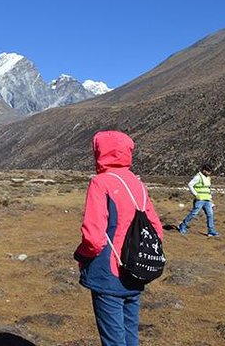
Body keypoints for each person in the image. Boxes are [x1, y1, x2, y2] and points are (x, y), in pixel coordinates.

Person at [74, 130, 164, 346]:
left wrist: (81, 256)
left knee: (113, 340)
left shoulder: (100, 183)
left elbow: (94, 238)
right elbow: (156, 231)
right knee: (129, 334)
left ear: (99, 151)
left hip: (109, 274)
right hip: (136, 270)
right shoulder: (138, 184)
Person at [178, 165, 219, 236]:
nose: (209, 173)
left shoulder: (208, 178)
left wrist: (211, 201)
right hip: (200, 199)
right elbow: (190, 185)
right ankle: (183, 225)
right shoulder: (198, 177)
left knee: (210, 214)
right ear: (204, 170)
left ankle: (211, 231)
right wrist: (195, 194)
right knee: (194, 213)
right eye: (208, 171)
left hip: (207, 199)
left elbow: (208, 190)